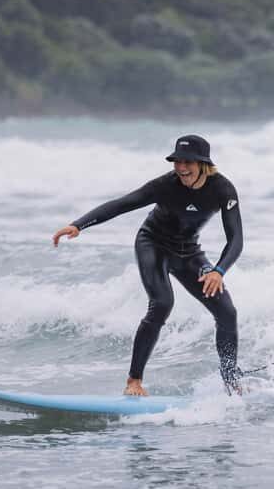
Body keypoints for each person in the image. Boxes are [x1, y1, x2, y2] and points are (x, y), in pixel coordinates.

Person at [52, 134, 243, 396]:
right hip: (153, 245)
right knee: (162, 303)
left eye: (188, 162)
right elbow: (121, 204)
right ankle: (134, 381)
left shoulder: (223, 189)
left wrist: (218, 271)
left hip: (189, 252)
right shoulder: (165, 185)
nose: (181, 167)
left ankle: (231, 381)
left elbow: (236, 239)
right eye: (177, 161)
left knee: (226, 312)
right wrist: (78, 224)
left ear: (203, 164)